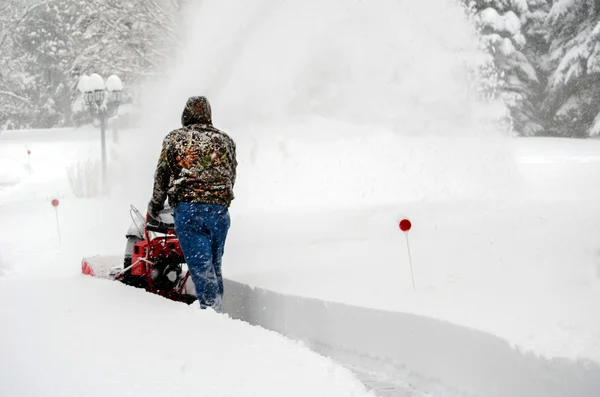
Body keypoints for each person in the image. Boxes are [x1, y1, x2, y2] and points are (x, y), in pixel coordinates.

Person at [148, 96, 237, 312]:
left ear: (185, 114)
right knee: (213, 267)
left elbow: (162, 175)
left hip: (190, 211)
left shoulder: (175, 139)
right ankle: (217, 312)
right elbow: (231, 174)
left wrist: (156, 204)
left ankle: (212, 317)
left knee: (201, 269)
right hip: (219, 211)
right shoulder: (225, 140)